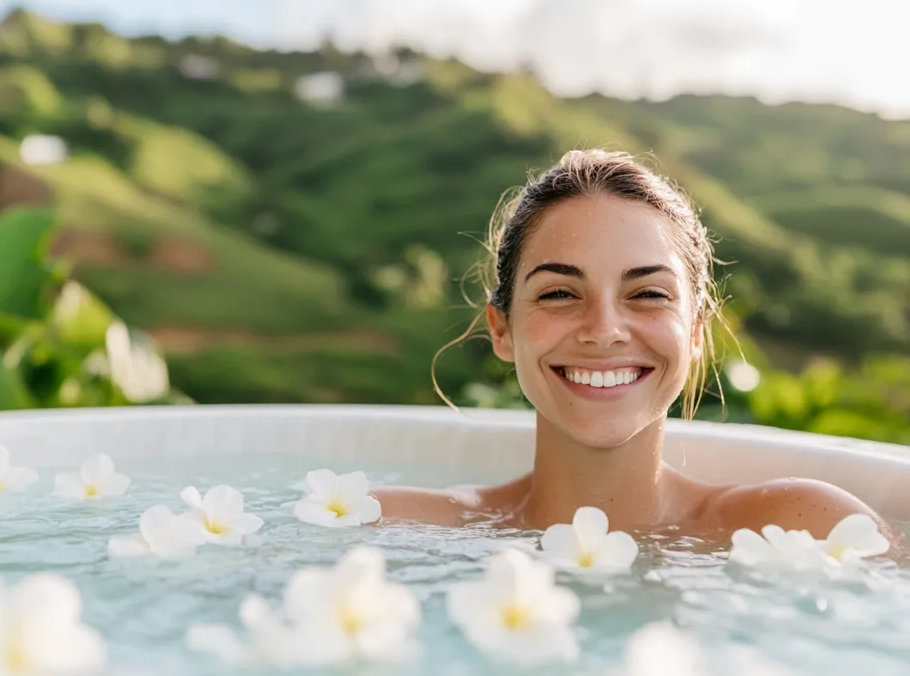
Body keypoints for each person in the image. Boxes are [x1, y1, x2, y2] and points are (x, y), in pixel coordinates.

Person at [373, 149, 904, 550]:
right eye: (560, 293)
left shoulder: (808, 528)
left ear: (696, 332)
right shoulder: (385, 531)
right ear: (502, 330)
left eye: (647, 294)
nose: (604, 330)